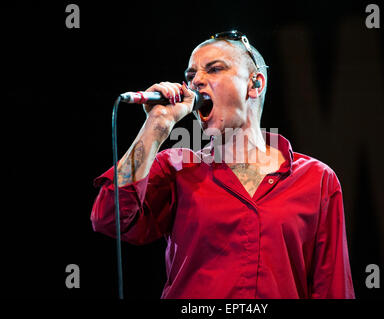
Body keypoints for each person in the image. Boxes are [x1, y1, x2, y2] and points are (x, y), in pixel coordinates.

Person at [91, 30, 355, 299]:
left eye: (214, 69)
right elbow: (109, 217)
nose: (196, 83)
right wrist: (156, 127)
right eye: (191, 76)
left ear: (255, 84)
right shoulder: (177, 168)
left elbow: (333, 287)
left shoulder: (316, 179)